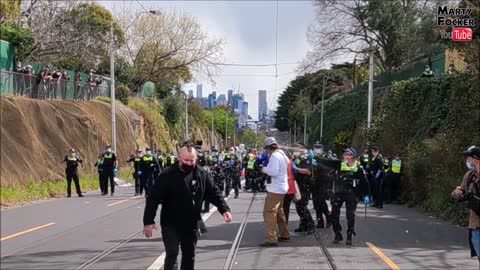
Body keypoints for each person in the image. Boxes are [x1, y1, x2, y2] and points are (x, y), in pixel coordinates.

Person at [143, 144, 232, 270]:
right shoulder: (167, 175)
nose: (189, 163)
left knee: (189, 255)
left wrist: (224, 209)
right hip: (171, 222)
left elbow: (214, 192)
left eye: (192, 160)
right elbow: (153, 198)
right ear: (179, 158)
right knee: (172, 252)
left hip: (191, 223)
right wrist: (148, 221)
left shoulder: (202, 174)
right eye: (186, 160)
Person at [316, 148, 370, 245]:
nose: (346, 156)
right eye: (345, 154)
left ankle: (349, 235)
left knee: (350, 215)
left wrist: (366, 194)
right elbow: (326, 162)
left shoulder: (358, 167)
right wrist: (316, 157)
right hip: (338, 193)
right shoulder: (339, 164)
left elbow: (364, 182)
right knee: (334, 215)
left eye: (348, 154)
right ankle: (338, 234)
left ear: (353, 156)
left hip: (351, 194)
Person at [451, 146, 480, 266]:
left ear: (475, 159)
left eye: (468, 157)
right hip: (475, 223)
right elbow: (459, 191)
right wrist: (458, 193)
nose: (467, 160)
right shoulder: (469, 175)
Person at [259, 137, 290, 247]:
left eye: (267, 149)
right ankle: (284, 233)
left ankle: (271, 238)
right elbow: (287, 164)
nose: (266, 152)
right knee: (279, 211)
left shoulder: (275, 156)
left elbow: (274, 172)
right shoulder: (282, 155)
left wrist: (264, 169)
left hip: (275, 189)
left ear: (268, 148)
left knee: (269, 212)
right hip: (282, 187)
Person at [292, 143, 315, 234]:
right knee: (298, 206)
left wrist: (296, 169)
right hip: (298, 184)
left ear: (302, 149)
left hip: (305, 185)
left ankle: (311, 225)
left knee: (302, 206)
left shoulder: (306, 158)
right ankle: (303, 225)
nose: (295, 150)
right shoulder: (297, 158)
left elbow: (308, 172)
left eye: (297, 148)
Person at [312, 143, 333, 229]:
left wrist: (317, 165)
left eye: (318, 148)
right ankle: (320, 221)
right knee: (316, 203)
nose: (317, 149)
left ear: (322, 148)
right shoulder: (313, 157)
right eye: (315, 147)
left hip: (325, 182)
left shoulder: (326, 156)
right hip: (315, 182)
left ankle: (329, 218)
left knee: (321, 202)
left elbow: (329, 168)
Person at [283, 151, 297, 224]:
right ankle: (285, 225)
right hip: (291, 188)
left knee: (283, 208)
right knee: (286, 208)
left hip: (284, 188)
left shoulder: (284, 163)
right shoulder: (292, 162)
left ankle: (284, 227)